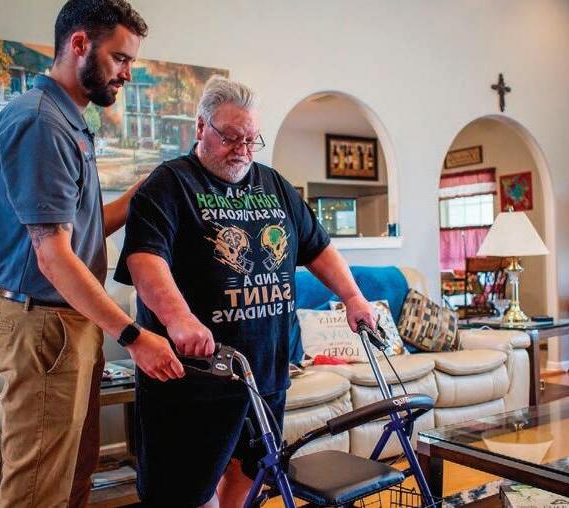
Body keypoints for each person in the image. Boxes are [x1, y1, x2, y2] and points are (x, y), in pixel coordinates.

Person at [114, 75, 378, 507]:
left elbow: (318, 248)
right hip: (193, 377)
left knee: (250, 472)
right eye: (231, 138)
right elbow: (145, 260)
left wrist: (352, 297)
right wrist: (180, 319)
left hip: (264, 373)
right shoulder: (169, 184)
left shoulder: (274, 185)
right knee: (183, 491)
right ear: (201, 127)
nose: (242, 150)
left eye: (251, 140)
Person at [0, 1, 186, 506]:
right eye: (120, 58)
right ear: (79, 45)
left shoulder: (69, 121)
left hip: (70, 320)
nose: (127, 73)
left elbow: (83, 231)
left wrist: (144, 192)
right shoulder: (40, 123)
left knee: (75, 475)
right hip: (44, 323)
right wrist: (133, 335)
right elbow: (52, 257)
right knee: (38, 490)